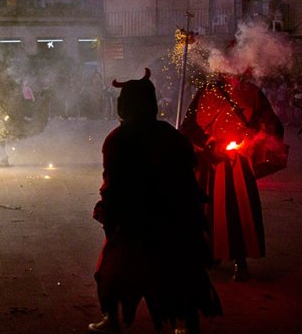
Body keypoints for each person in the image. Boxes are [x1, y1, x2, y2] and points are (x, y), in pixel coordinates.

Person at [90, 69, 221, 334]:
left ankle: (115, 320)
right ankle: (180, 323)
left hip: (139, 220)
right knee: (175, 270)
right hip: (170, 216)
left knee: (114, 271)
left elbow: (114, 185)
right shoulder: (168, 135)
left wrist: (110, 211)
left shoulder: (119, 138)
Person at [180, 70, 286, 282]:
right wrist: (208, 145)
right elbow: (189, 127)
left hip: (238, 162)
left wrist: (253, 134)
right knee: (208, 211)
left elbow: (271, 124)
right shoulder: (206, 91)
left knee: (238, 212)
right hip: (209, 162)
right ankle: (213, 254)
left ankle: (240, 260)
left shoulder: (251, 93)